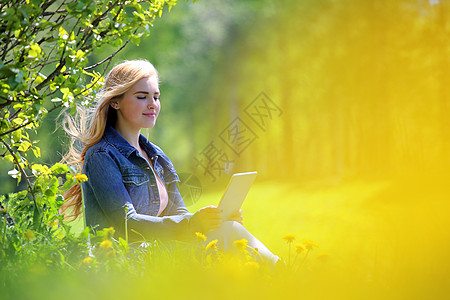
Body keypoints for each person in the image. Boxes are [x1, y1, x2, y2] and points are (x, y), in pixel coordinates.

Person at [61, 59, 280, 268]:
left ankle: (282, 275)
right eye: (142, 97)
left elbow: (180, 214)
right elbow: (127, 225)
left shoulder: (156, 155)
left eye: (156, 97)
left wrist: (213, 220)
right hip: (123, 263)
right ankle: (286, 274)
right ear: (115, 102)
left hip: (160, 254)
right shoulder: (101, 155)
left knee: (228, 230)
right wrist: (191, 224)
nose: (152, 105)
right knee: (229, 239)